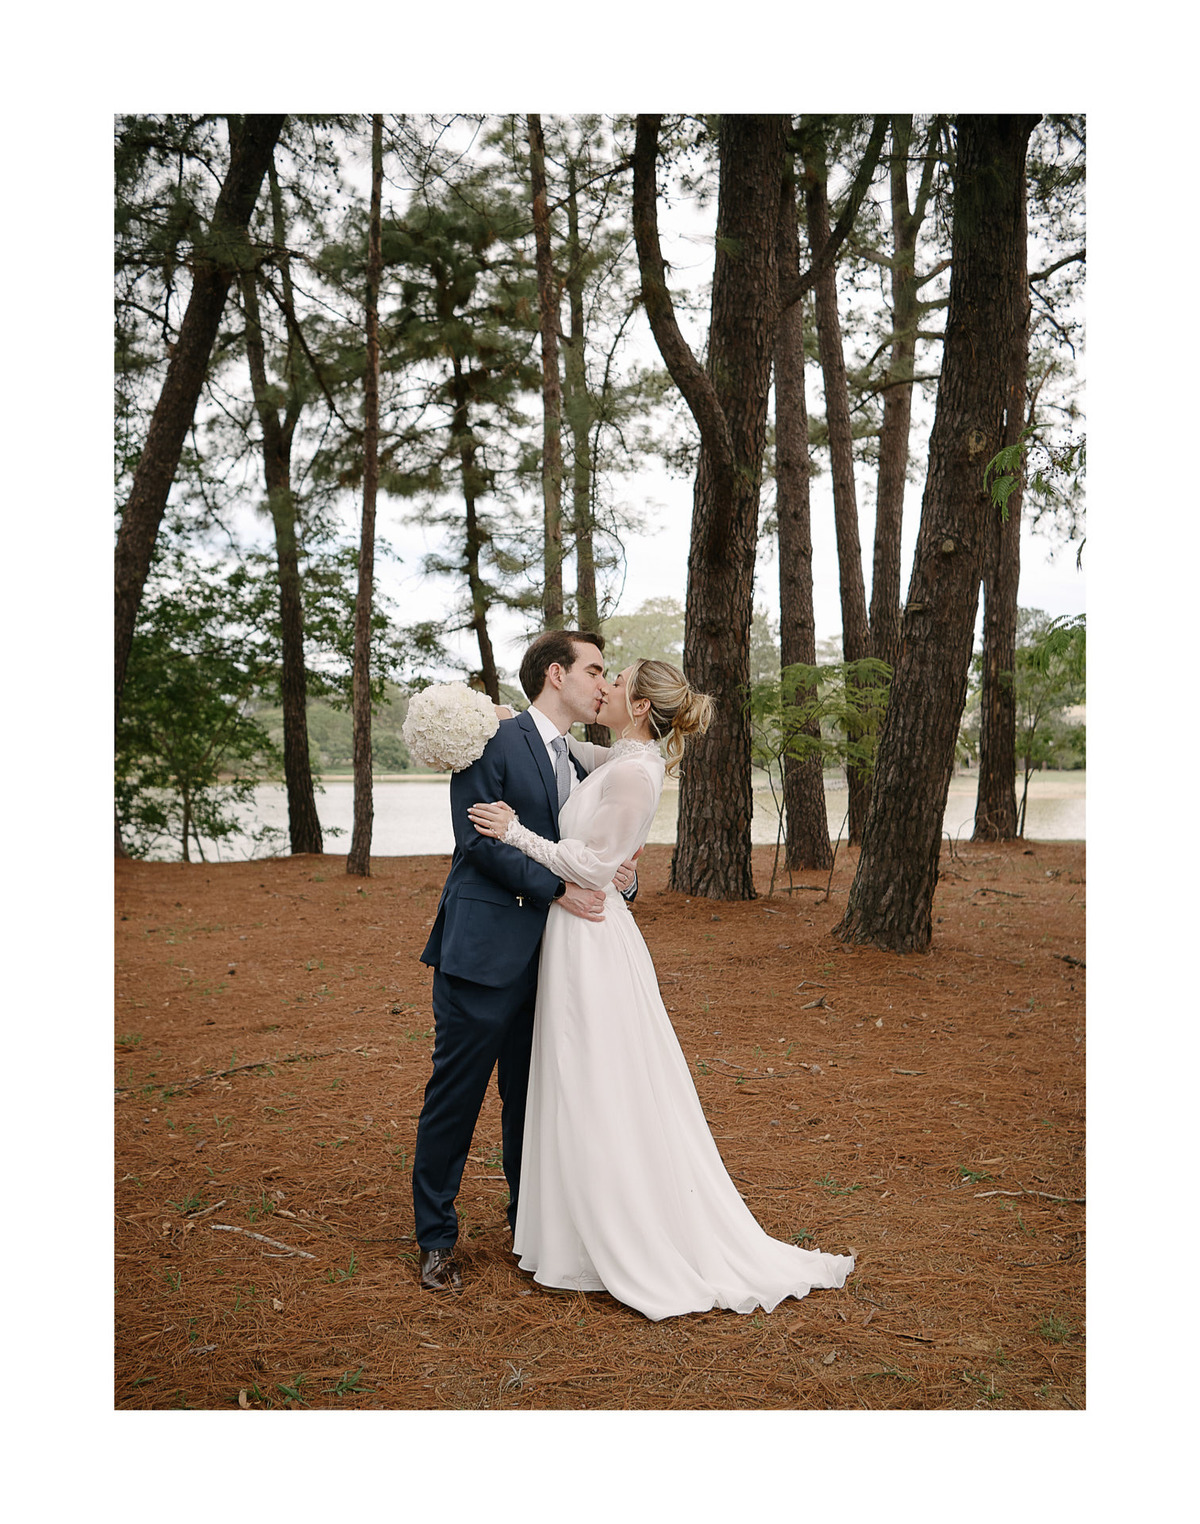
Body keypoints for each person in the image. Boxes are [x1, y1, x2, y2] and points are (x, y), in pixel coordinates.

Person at [467, 659, 855, 1321]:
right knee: (574, 1076)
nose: (605, 688)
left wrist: (516, 832)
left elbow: (590, 864)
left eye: (615, 682)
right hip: (577, 933)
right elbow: (571, 749)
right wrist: (504, 716)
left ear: (641, 705)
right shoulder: (623, 757)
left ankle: (610, 1237)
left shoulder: (632, 773)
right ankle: (570, 1231)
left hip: (590, 936)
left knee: (596, 1078)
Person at [412, 630, 639, 1292]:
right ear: (554, 675)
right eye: (594, 670)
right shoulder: (493, 741)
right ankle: (435, 1238)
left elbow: (597, 843)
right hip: (482, 953)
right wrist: (558, 889)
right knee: (456, 1096)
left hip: (554, 963)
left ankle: (528, 1226)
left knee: (531, 1100)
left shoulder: (579, 758)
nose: (603, 683)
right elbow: (477, 842)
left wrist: (618, 878)